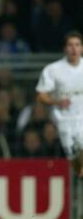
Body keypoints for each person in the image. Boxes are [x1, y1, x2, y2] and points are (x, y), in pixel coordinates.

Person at [36, 31, 83, 176]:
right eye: (70, 45)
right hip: (64, 120)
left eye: (77, 45)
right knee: (75, 161)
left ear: (82, 48)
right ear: (65, 48)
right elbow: (41, 96)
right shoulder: (53, 70)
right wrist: (56, 101)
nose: (74, 49)